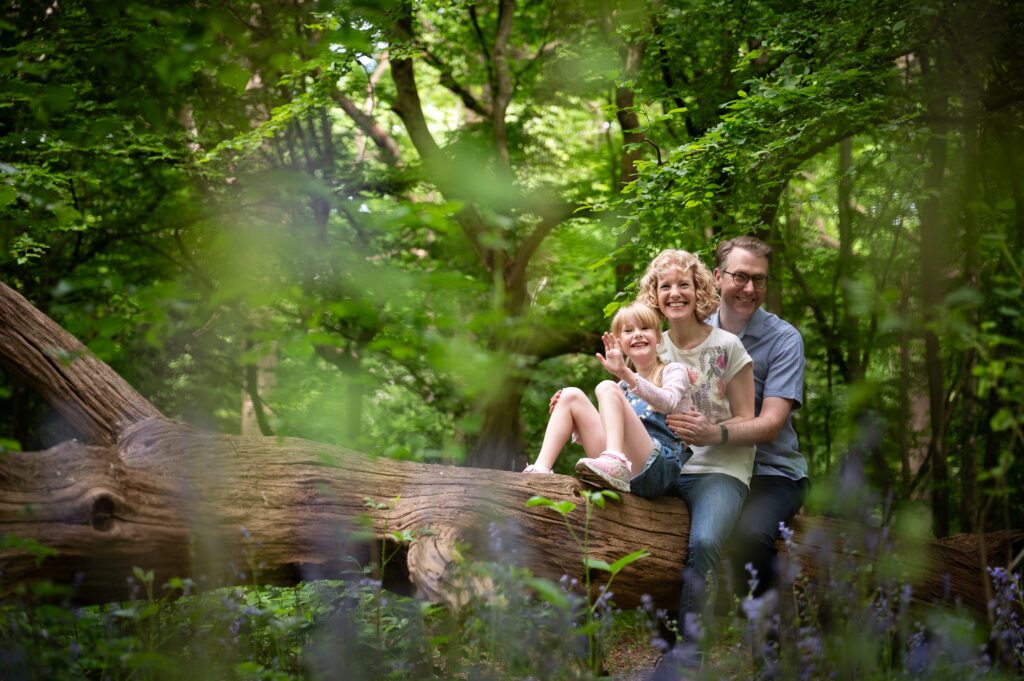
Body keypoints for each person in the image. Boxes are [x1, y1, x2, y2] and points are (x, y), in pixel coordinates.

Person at [666, 236, 808, 602]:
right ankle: (674, 633)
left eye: (759, 279)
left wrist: (714, 433)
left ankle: (764, 629)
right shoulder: (693, 326)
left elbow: (771, 424)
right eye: (740, 276)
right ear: (717, 277)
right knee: (668, 532)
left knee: (750, 536)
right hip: (703, 466)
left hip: (770, 472)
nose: (749, 288)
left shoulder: (784, 339)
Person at [636, 249, 756, 664]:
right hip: (664, 464)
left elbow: (748, 419)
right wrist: (575, 407)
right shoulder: (652, 345)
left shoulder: (728, 345)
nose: (674, 293)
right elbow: (627, 400)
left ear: (699, 289)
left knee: (703, 542)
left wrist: (712, 432)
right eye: (664, 286)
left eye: (683, 285)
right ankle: (653, 650)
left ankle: (690, 660)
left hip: (720, 467)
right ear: (654, 294)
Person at [523, 301, 693, 499]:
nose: (637, 334)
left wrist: (625, 373)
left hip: (657, 469)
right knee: (570, 395)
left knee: (606, 386)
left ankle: (615, 460)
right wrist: (569, 416)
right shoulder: (621, 387)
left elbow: (668, 402)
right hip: (626, 468)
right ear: (619, 343)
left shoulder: (673, 371)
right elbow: (608, 432)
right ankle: (541, 470)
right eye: (629, 330)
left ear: (658, 337)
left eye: (645, 328)